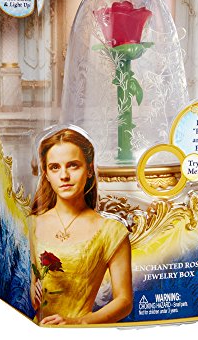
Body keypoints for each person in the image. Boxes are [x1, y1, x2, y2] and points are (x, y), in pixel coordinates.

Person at [27, 127, 133, 325]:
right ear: (46, 174)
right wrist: (33, 290)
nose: (64, 175)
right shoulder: (32, 223)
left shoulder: (111, 231)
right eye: (55, 167)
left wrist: (77, 323)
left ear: (89, 169)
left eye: (73, 165)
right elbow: (32, 282)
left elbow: (124, 301)